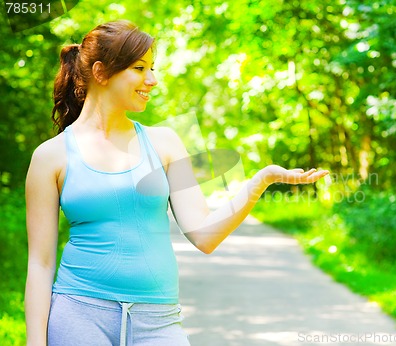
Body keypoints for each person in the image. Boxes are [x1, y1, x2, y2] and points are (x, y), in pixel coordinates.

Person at [24, 20, 329, 346]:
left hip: (158, 323)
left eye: (152, 68)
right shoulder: (50, 157)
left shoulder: (165, 143)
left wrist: (261, 179)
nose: (152, 80)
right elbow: (40, 265)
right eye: (140, 68)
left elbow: (204, 235)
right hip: (79, 315)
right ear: (100, 72)